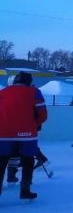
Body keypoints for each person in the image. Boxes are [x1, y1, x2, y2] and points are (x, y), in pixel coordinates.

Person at [0, 71, 47, 199]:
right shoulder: (34, 92)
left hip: (3, 134)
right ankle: (25, 191)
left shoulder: (2, 92)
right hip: (26, 135)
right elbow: (42, 114)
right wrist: (33, 124)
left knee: (1, 162)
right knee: (27, 161)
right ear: (29, 82)